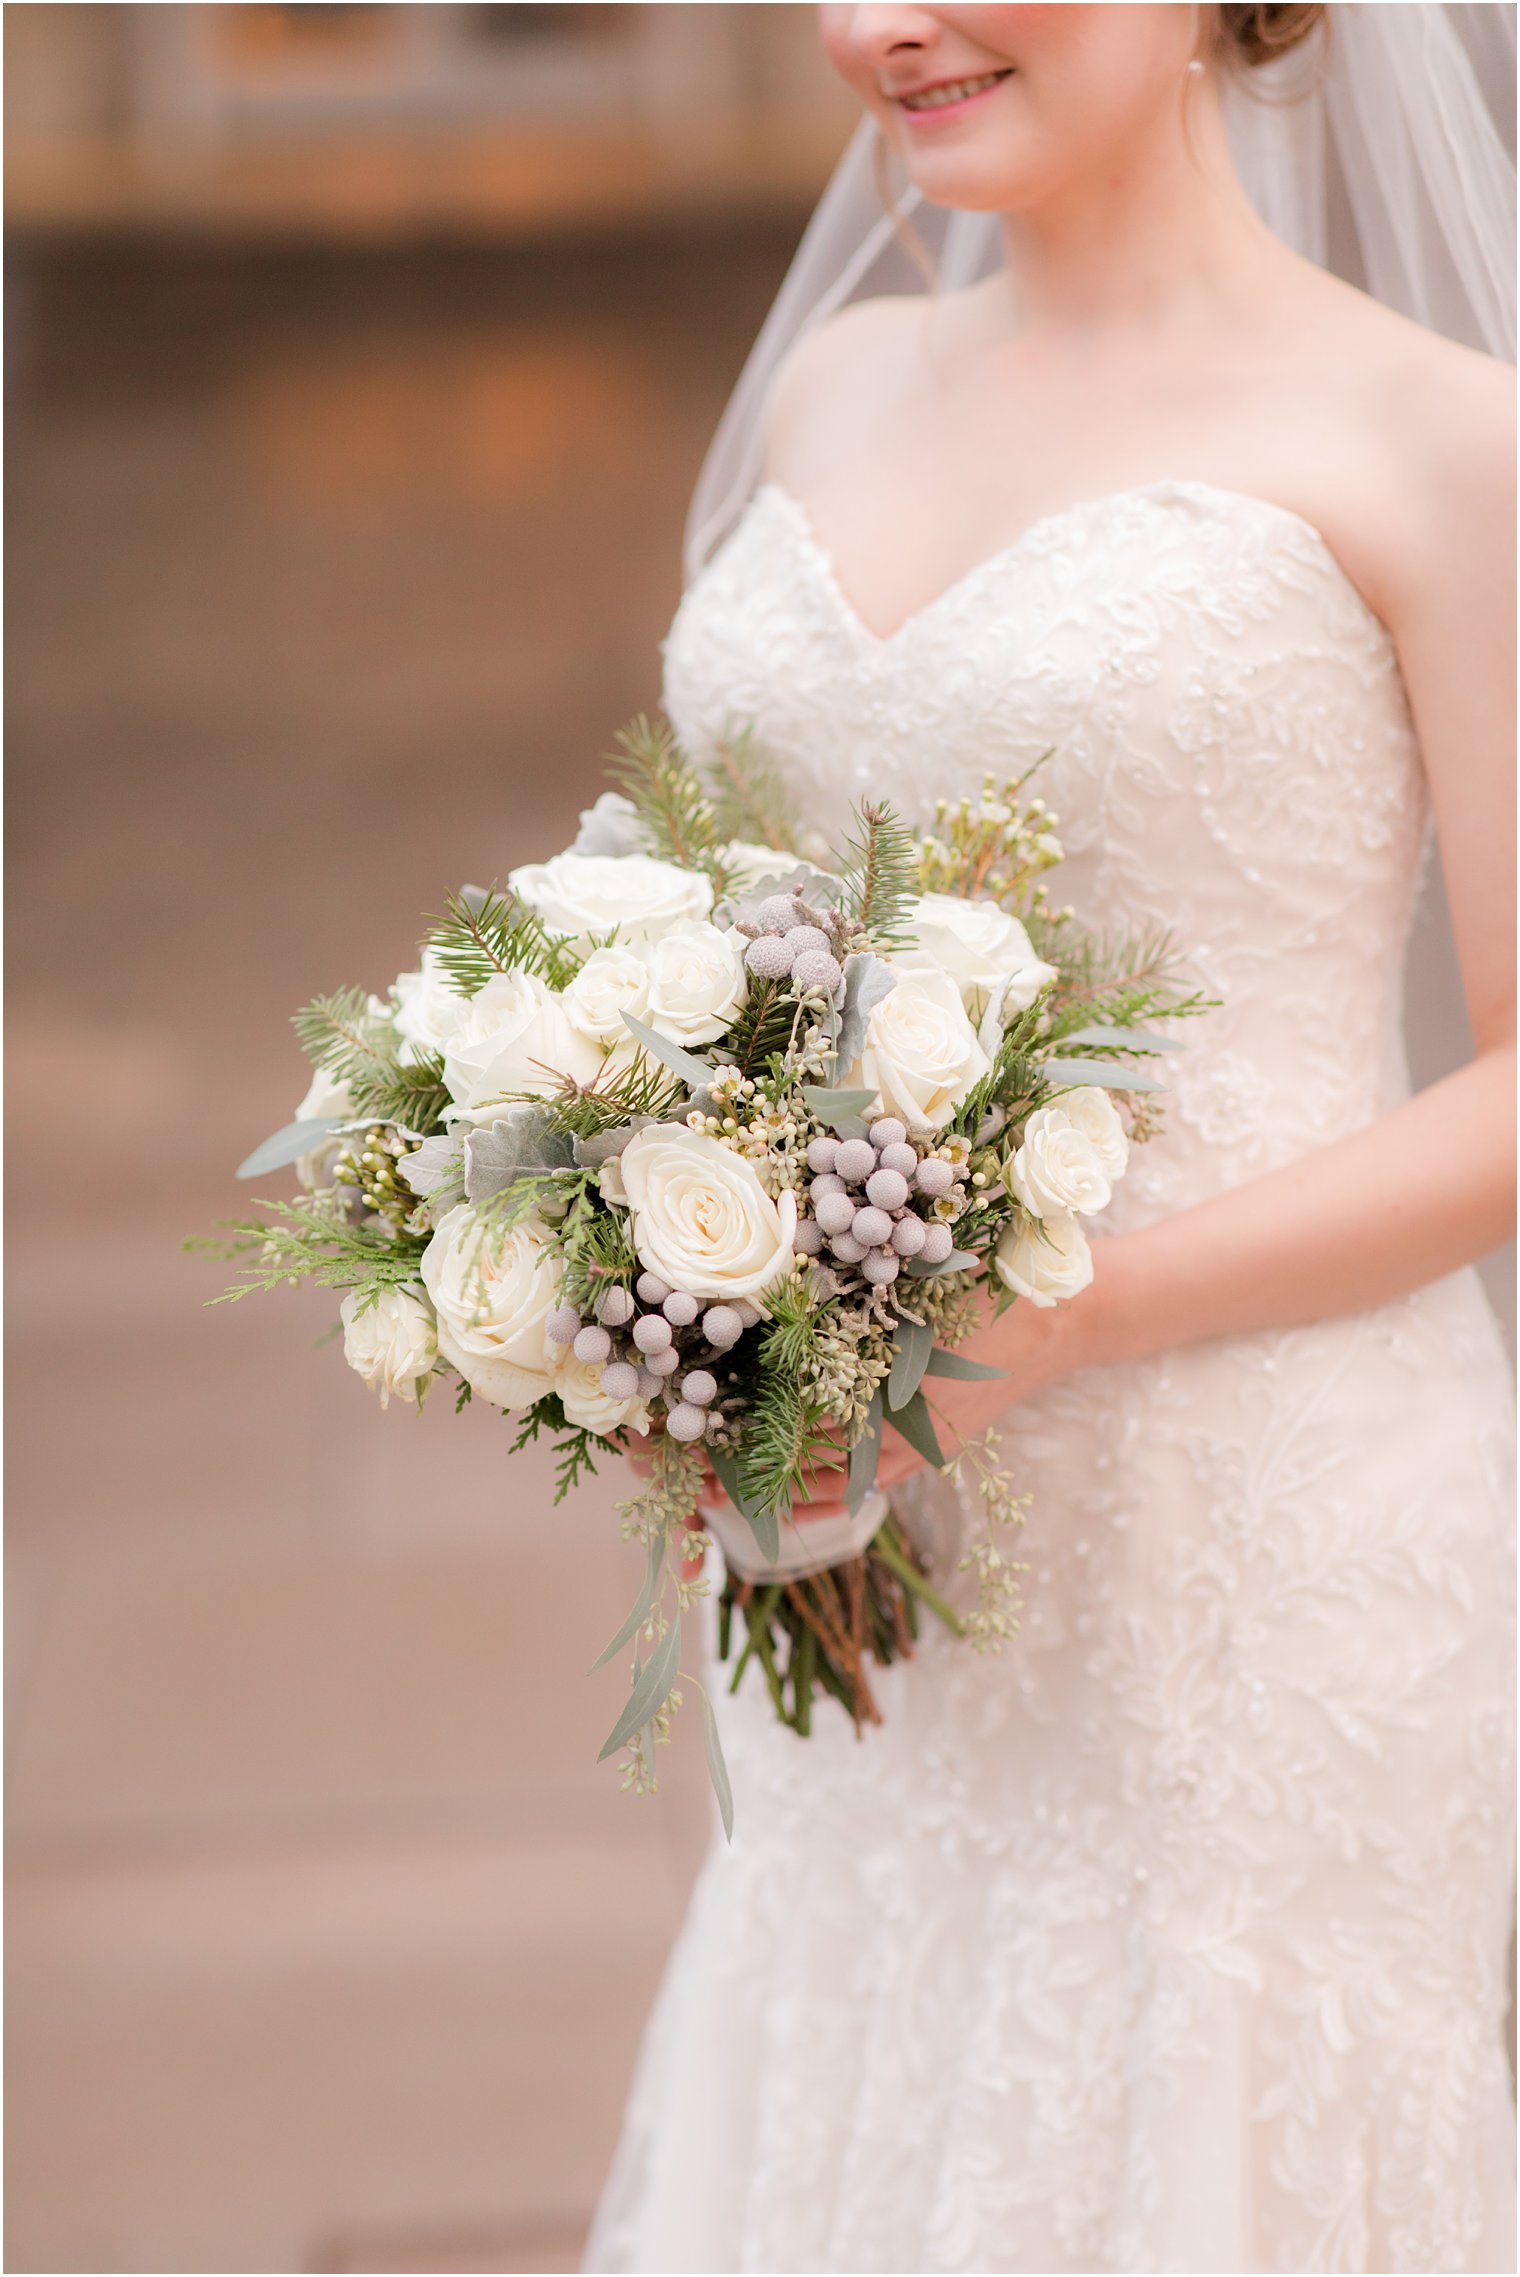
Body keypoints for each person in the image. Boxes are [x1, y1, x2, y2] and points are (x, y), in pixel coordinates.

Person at [585, 7, 1517, 2270]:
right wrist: (668, 1284)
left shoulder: (1436, 439)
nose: (873, 26)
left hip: (1257, 1553)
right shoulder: (840, 383)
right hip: (869, 1538)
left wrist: (1065, 1317)